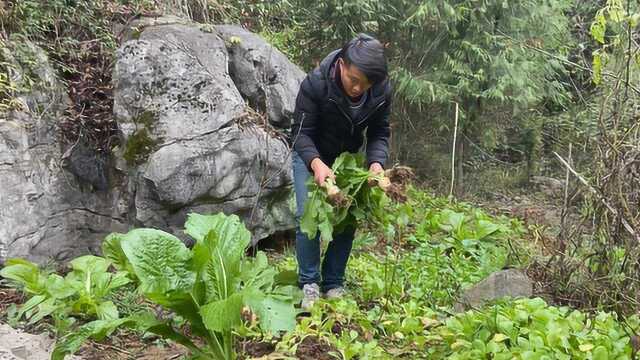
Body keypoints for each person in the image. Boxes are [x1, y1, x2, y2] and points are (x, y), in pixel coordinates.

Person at [291, 33, 391, 310]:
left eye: (366, 84)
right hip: (310, 153)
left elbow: (380, 132)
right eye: (354, 80)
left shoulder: (381, 90)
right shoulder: (315, 84)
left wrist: (375, 163)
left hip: (346, 157)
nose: (359, 88)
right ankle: (309, 282)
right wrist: (316, 163)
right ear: (342, 65)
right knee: (307, 215)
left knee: (347, 215)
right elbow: (300, 134)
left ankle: (333, 283)